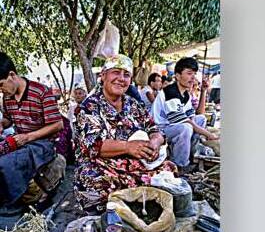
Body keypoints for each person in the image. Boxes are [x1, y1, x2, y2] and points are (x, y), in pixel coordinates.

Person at [73, 54, 175, 213]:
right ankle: (125, 209)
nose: (121, 78)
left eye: (126, 75)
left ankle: (137, 203)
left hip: (137, 163)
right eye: (116, 72)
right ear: (103, 75)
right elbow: (92, 145)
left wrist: (155, 142)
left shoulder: (133, 104)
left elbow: (154, 128)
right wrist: (127, 147)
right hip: (104, 165)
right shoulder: (89, 107)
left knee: (169, 170)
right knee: (92, 182)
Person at [0, 52, 63, 210]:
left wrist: (28, 137)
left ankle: (37, 196)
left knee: (5, 164)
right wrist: (2, 124)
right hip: (22, 141)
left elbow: (57, 125)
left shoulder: (41, 92)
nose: (1, 91)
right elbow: (8, 120)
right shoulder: (7, 98)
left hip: (44, 144)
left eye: (0, 85)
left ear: (12, 75)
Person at [152, 56, 216, 172]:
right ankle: (179, 165)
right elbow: (185, 121)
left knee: (200, 119)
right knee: (186, 128)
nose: (193, 78)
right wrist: (208, 134)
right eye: (189, 73)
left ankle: (191, 154)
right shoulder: (170, 91)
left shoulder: (185, 95)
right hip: (160, 130)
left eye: (194, 74)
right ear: (177, 75)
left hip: (174, 125)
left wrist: (203, 91)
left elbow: (198, 114)